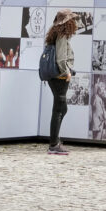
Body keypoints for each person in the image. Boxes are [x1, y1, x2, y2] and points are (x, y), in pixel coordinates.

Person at [45, 10, 80, 155]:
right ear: (67, 23)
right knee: (58, 110)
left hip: (55, 76)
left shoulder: (55, 34)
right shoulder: (61, 36)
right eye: (72, 20)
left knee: (61, 109)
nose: (75, 23)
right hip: (60, 77)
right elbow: (60, 59)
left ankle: (55, 139)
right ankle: (54, 144)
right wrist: (67, 73)